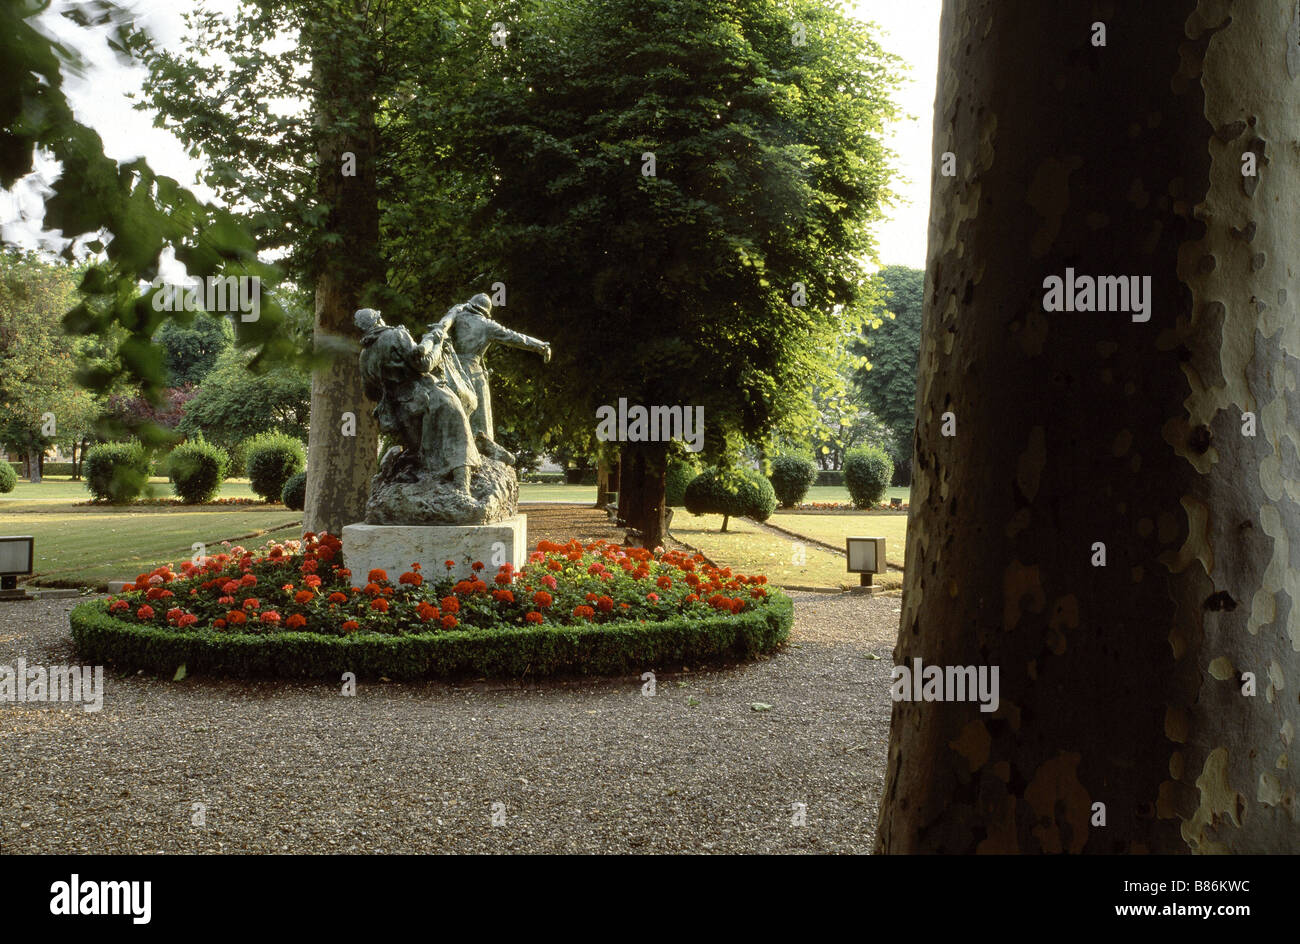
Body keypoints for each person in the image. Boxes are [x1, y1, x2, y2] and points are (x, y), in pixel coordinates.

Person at [355, 308, 479, 499]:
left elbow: (370, 392)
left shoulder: (364, 355)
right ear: (379, 318)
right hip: (425, 395)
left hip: (398, 411)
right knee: (458, 429)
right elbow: (424, 364)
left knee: (422, 456)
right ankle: (463, 486)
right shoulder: (396, 334)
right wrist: (437, 342)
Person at [436, 293, 551, 465]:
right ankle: (483, 460)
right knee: (481, 423)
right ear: (485, 311)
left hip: (451, 370)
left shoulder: (456, 315)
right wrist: (540, 346)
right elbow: (515, 337)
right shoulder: (487, 325)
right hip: (473, 373)